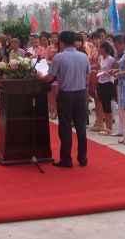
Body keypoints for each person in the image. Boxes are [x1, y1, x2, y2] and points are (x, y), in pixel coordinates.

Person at [38, 31, 90, 167]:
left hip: (66, 94)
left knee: (65, 127)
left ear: (61, 42)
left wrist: (39, 76)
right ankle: (83, 158)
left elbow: (49, 78)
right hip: (81, 94)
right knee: (81, 127)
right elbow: (88, 77)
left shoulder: (59, 57)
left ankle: (66, 159)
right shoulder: (84, 56)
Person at [95, 41, 116, 135]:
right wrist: (98, 71)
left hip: (108, 83)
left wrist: (105, 72)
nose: (98, 49)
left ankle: (109, 128)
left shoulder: (111, 59)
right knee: (103, 105)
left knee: (107, 106)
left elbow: (113, 72)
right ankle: (105, 126)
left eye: (100, 48)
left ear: (104, 49)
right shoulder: (100, 58)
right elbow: (99, 67)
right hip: (100, 82)